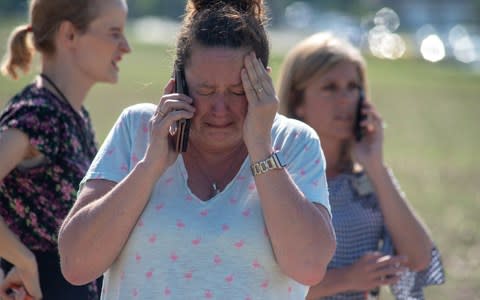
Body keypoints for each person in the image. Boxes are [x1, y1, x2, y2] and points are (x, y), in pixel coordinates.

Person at [57, 0, 336, 299]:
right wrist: (150, 166)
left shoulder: (294, 142)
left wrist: (260, 148)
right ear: (178, 84)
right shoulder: (138, 129)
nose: (220, 109)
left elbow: (308, 266)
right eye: (205, 90)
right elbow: (77, 264)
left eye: (237, 91)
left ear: (262, 84)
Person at [277, 32, 445, 300]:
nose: (345, 99)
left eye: (353, 87)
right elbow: (261, 283)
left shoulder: (365, 180)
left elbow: (418, 258)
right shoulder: (277, 178)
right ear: (298, 101)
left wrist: (375, 165)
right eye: (329, 87)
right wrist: (347, 278)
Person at [0, 0, 131, 299]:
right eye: (114, 33)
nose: (125, 47)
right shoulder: (38, 116)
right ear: (69, 35)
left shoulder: (71, 115)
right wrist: (24, 261)